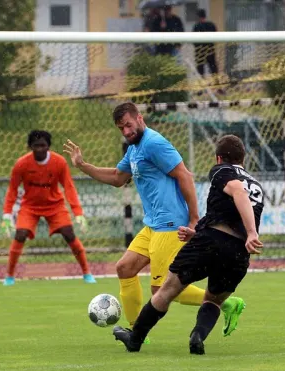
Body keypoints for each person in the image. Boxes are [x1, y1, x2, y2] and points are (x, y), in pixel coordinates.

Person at [63, 103, 245, 343]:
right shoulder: (135, 148)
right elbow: (118, 178)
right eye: (121, 128)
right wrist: (83, 165)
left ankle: (227, 302)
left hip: (170, 224)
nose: (126, 132)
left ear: (139, 118)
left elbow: (185, 176)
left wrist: (193, 218)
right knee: (125, 268)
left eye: (128, 125)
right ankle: (136, 331)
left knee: (162, 291)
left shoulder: (154, 143)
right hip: (153, 225)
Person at [112, 134, 264, 355]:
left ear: (219, 158)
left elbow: (237, 192)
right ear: (244, 158)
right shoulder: (257, 185)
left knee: (166, 290)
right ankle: (197, 336)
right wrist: (200, 232)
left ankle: (135, 339)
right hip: (238, 253)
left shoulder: (222, 171)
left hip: (211, 241)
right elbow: (229, 213)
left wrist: (251, 232)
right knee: (213, 300)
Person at [1, 130, 95, 285]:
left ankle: (87, 273)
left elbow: (68, 187)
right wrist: (6, 214)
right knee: (20, 234)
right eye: (36, 146)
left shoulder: (59, 162)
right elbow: (12, 189)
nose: (40, 149)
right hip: (30, 206)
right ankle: (9, 276)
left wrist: (78, 213)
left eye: (43, 145)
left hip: (54, 205)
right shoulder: (21, 164)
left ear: (48, 146)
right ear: (30, 147)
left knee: (68, 233)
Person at [192, 9, 218, 77]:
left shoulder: (196, 26)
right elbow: (216, 36)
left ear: (198, 17)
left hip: (200, 52)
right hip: (210, 50)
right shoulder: (211, 25)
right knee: (213, 69)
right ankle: (217, 85)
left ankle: (202, 85)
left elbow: (193, 40)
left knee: (201, 71)